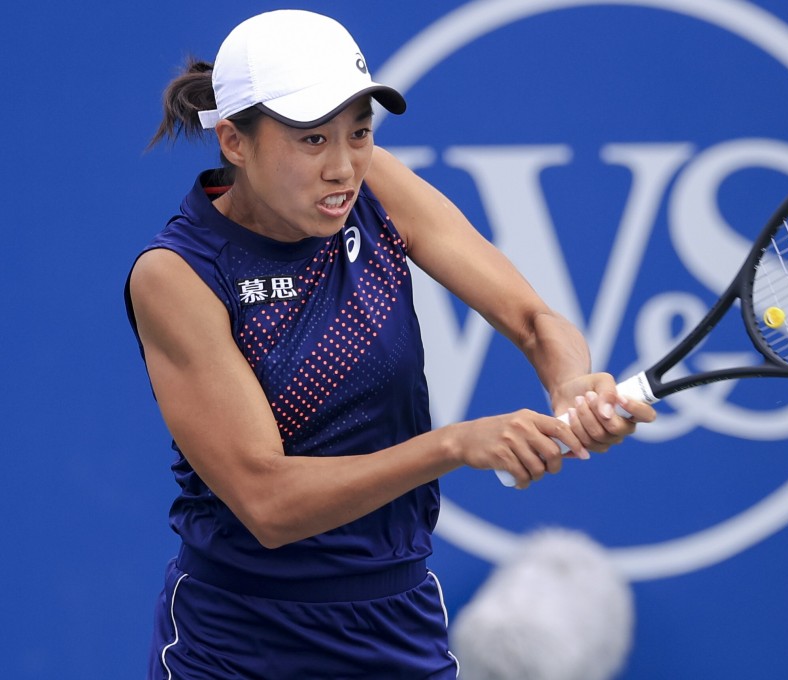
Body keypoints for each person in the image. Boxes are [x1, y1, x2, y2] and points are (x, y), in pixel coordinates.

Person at [127, 9, 655, 679]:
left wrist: (570, 382)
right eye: (312, 140)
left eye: (360, 133)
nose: (343, 167)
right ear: (234, 140)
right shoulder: (178, 275)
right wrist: (453, 445)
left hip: (396, 626)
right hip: (239, 643)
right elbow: (268, 503)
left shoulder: (375, 187)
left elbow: (532, 319)